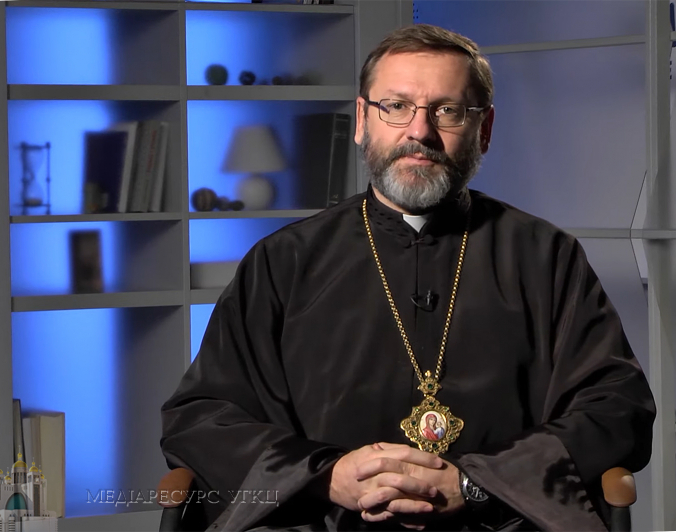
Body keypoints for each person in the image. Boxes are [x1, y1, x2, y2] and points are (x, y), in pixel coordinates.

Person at [160, 23, 655, 531]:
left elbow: (617, 405)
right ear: (362, 120)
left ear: (484, 129)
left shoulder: (545, 256)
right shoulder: (284, 260)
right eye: (396, 106)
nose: (419, 131)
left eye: (448, 110)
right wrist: (325, 476)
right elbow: (201, 416)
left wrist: (477, 483)